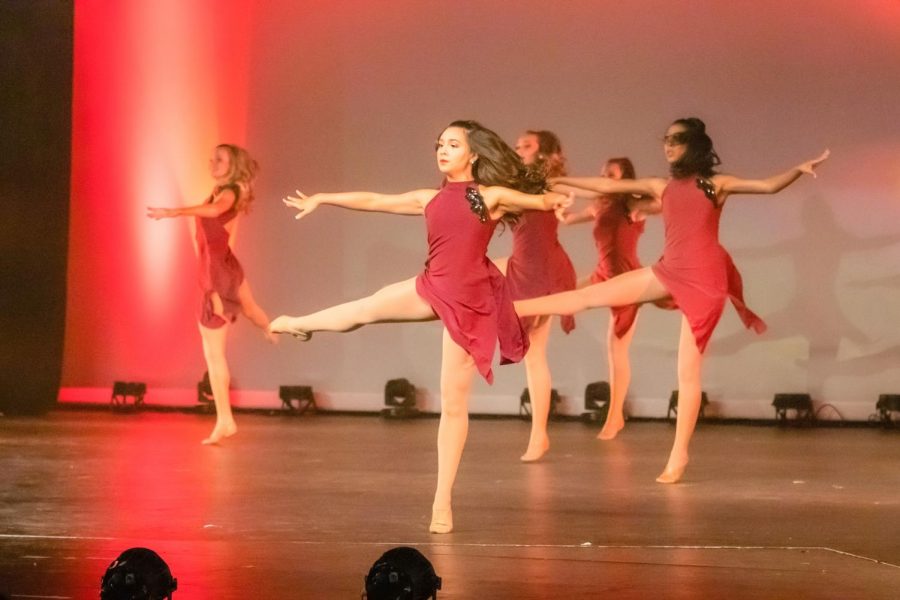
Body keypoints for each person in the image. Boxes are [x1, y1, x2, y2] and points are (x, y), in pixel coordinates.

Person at [269, 120, 572, 532]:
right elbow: (375, 200)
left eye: (452, 144)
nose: (442, 151)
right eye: (439, 145)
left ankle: (442, 501)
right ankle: (300, 324)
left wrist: (557, 199)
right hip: (433, 285)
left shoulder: (489, 197)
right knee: (366, 308)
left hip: (471, 301)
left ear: (475, 154)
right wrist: (324, 198)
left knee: (453, 400)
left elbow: (540, 200)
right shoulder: (429, 198)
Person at [515, 118, 829, 483]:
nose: (669, 146)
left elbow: (767, 185)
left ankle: (678, 456)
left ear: (694, 145)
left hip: (706, 279)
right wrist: (560, 181)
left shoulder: (716, 185)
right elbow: (605, 185)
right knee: (588, 296)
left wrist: (798, 170)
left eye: (677, 141)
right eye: (666, 140)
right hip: (669, 269)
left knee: (687, 372)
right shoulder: (660, 186)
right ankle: (511, 307)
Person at [147, 144, 276, 445]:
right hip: (221, 265)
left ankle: (225, 420)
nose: (212, 162)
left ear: (232, 166)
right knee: (250, 309)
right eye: (213, 158)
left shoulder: (228, 192)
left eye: (220, 159)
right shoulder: (223, 190)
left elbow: (216, 211)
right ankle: (276, 331)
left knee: (214, 353)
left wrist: (175, 211)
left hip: (216, 272)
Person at [496, 130, 576, 462]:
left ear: (543, 153)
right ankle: (538, 436)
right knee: (534, 356)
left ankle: (538, 435)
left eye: (526, 146)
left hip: (542, 269)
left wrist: (561, 208)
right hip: (525, 268)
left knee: (534, 354)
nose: (519, 151)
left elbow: (559, 201)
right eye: (517, 146)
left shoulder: (551, 185)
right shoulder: (517, 185)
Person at [559, 157, 648, 440]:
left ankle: (615, 417)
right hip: (602, 273)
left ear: (625, 178)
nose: (603, 179)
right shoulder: (599, 205)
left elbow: (659, 203)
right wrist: (560, 207)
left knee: (615, 351)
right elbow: (568, 219)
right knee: (560, 295)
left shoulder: (633, 206)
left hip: (625, 279)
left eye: (610, 175)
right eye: (601, 174)